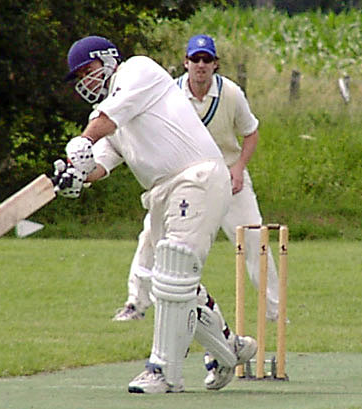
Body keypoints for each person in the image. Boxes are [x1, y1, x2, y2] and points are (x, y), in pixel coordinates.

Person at [56, 35, 257, 394]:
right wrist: (77, 176)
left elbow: (103, 123)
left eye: (88, 70)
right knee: (171, 281)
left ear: (107, 60)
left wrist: (82, 141)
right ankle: (230, 349)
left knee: (175, 267)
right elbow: (102, 161)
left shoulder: (138, 70)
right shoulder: (115, 117)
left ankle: (163, 372)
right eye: (79, 76)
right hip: (163, 192)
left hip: (198, 176)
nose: (84, 80)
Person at [112, 34, 281, 324]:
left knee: (254, 238)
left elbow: (250, 132)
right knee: (151, 237)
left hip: (228, 174)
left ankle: (276, 311)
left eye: (206, 60)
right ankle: (135, 303)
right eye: (195, 59)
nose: (200, 65)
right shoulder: (170, 93)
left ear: (215, 64)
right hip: (183, 180)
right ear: (185, 63)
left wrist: (239, 167)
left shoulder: (231, 93)